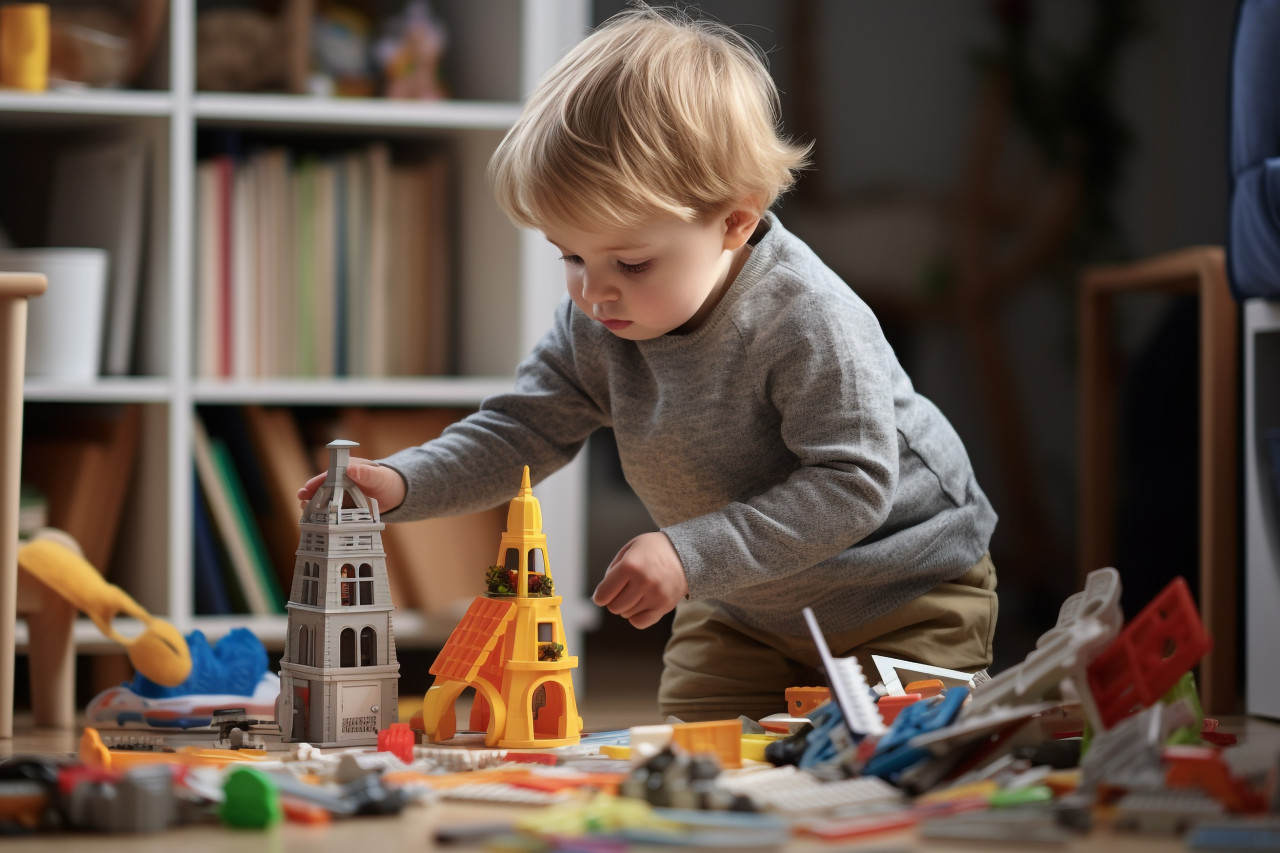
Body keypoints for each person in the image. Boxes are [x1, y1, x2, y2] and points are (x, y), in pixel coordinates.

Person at [299, 4, 998, 722]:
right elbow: (521, 431)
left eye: (630, 262)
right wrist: (404, 481)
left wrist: (686, 553)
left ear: (734, 220)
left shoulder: (806, 316)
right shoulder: (597, 320)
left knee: (905, 755)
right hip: (744, 604)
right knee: (699, 755)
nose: (594, 290)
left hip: (904, 589)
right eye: (571, 255)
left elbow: (853, 483)